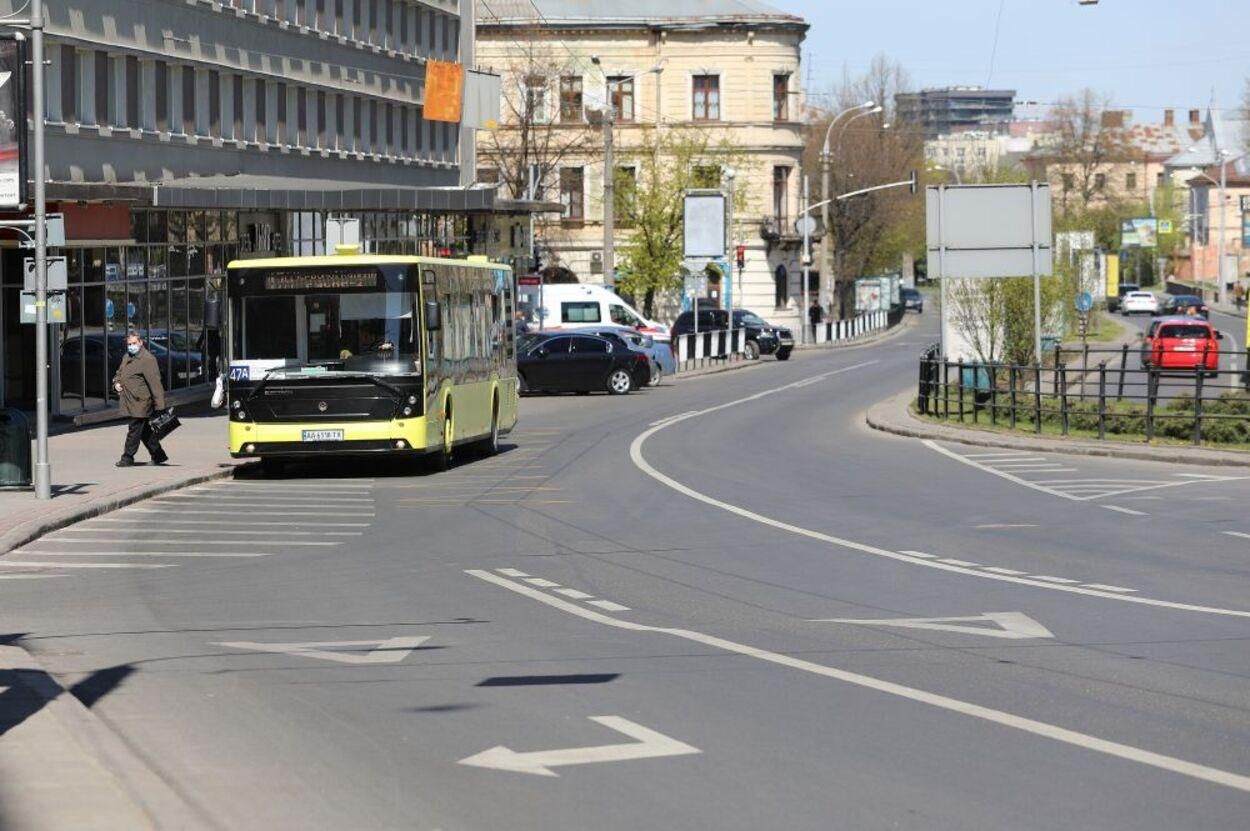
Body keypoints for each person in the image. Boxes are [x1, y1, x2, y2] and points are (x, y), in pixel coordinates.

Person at [113, 332, 169, 467]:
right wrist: (116, 384)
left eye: (134, 343)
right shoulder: (127, 357)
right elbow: (119, 373)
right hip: (130, 400)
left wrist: (160, 406)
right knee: (144, 431)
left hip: (142, 401)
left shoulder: (147, 359)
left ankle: (127, 457)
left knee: (134, 429)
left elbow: (155, 383)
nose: (131, 346)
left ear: (140, 343)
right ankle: (158, 455)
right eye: (129, 344)